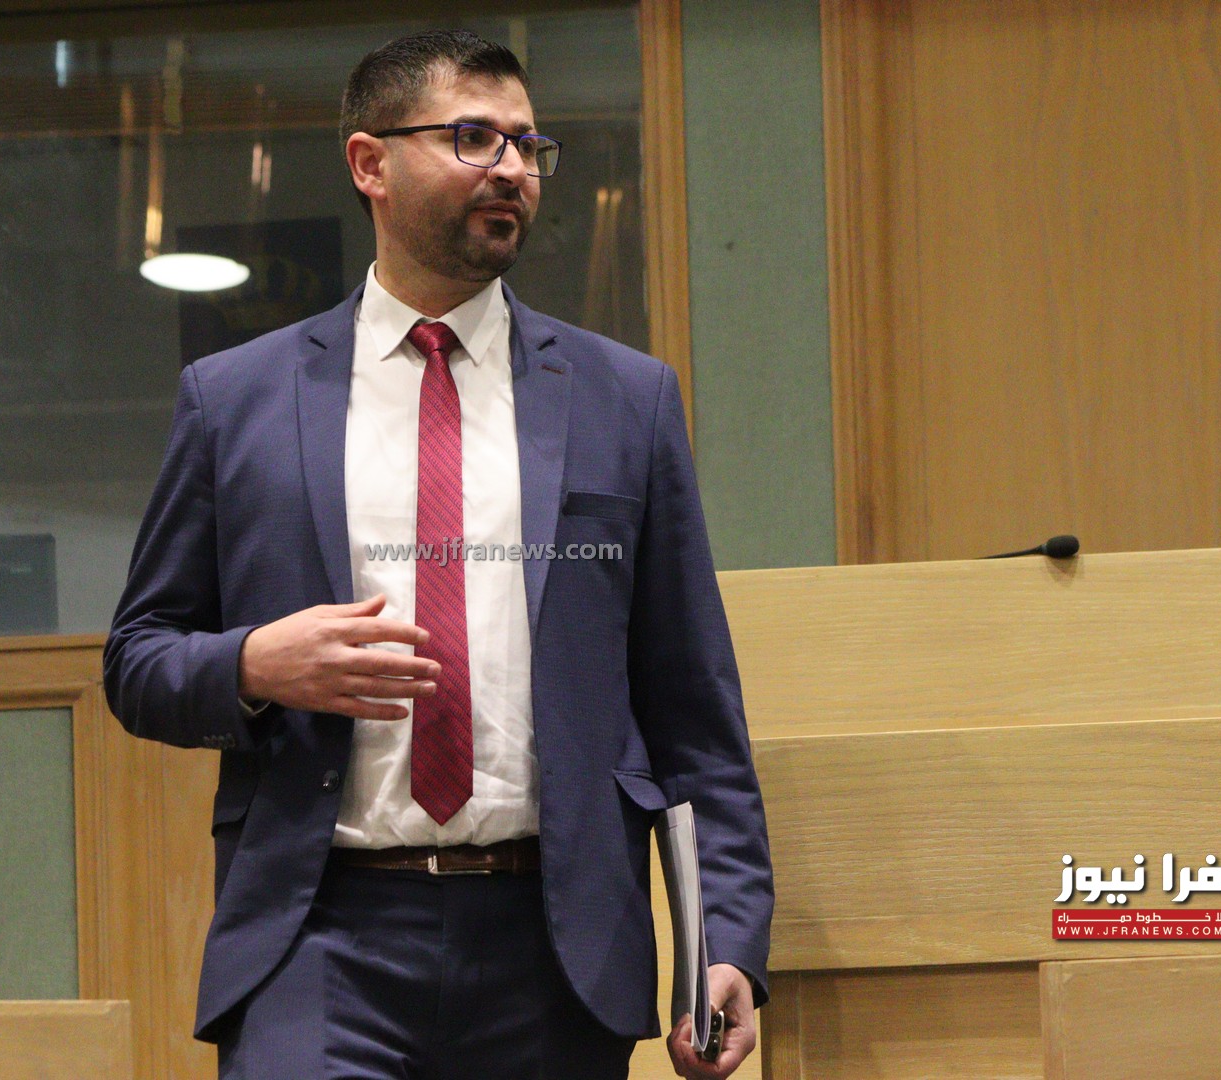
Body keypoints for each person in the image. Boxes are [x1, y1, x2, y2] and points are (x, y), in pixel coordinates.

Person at [104, 28, 772, 1080]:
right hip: (318, 938)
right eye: (473, 138)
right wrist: (253, 665)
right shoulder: (235, 401)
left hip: (556, 947)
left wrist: (723, 937)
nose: (512, 168)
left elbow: (693, 704)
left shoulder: (624, 400)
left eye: (527, 145)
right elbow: (137, 661)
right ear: (370, 163)